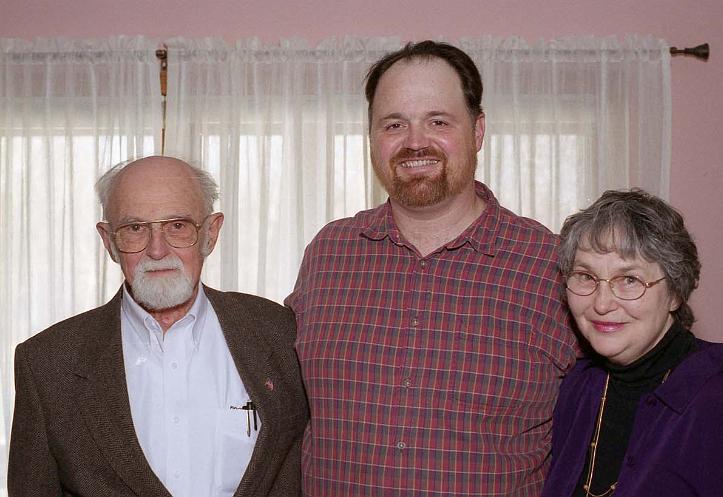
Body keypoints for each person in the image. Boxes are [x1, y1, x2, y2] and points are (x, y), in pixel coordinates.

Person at [285, 41, 577, 496]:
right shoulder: (328, 253)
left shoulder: (550, 265)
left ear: (477, 131)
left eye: (438, 121)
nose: (415, 141)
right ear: (371, 137)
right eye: (394, 124)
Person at [8, 156, 308, 497]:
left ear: (211, 233)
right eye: (135, 228)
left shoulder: (282, 335)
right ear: (108, 242)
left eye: (178, 225)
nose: (157, 249)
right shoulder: (48, 364)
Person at [542, 189, 723, 497]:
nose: (602, 303)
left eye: (629, 279)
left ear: (675, 292)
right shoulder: (578, 388)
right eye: (585, 276)